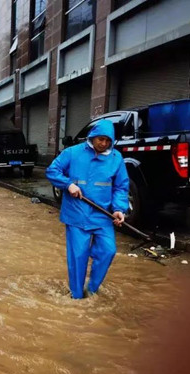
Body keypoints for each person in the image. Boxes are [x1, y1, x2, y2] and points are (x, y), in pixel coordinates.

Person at [46, 119, 129, 299]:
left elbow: (121, 187)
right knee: (78, 258)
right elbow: (52, 171)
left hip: (102, 215)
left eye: (108, 141)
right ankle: (76, 296)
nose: (104, 144)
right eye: (101, 139)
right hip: (77, 214)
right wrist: (68, 185)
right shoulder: (73, 153)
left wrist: (119, 209)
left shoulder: (116, 158)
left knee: (108, 250)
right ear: (92, 137)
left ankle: (91, 290)